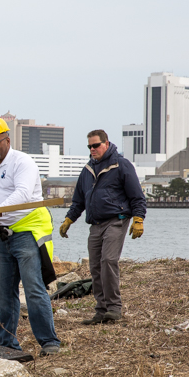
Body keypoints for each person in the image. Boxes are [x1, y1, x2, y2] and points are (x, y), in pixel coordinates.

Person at [0, 117, 61, 356]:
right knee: (2, 294)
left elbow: (23, 193)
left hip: (25, 233)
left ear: (7, 140)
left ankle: (49, 342)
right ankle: (8, 346)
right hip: (0, 236)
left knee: (34, 289)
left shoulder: (23, 162)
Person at [59, 129, 146, 324]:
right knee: (95, 266)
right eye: (89, 146)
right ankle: (101, 310)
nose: (92, 149)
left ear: (106, 143)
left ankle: (114, 307)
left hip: (117, 220)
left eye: (96, 145)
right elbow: (78, 201)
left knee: (108, 261)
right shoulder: (88, 170)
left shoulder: (121, 165)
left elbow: (137, 197)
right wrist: (69, 220)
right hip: (95, 225)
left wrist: (138, 219)